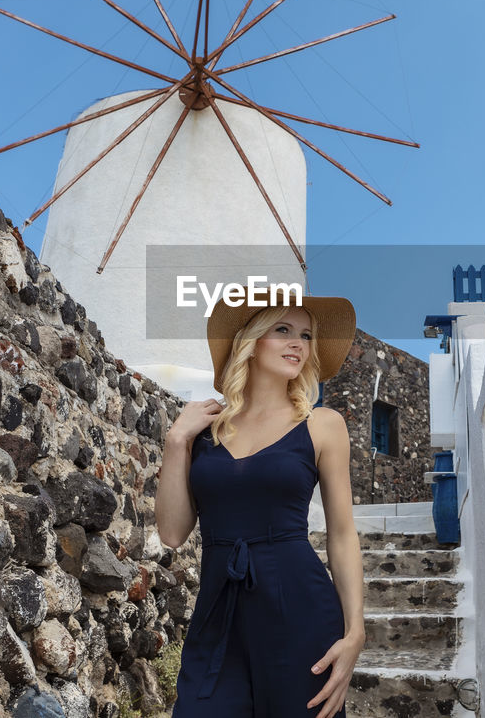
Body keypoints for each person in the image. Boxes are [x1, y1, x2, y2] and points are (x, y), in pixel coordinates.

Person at [156, 295, 365, 717]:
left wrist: (355, 630)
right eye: (283, 330)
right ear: (249, 341)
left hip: (299, 610)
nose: (299, 344)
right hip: (219, 614)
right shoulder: (203, 433)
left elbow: (342, 534)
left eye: (306, 335)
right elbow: (172, 533)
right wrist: (176, 441)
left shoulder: (323, 426)